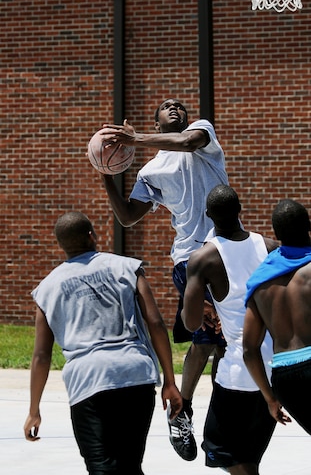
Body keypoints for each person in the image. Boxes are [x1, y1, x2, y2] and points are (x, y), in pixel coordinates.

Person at [99, 98, 228, 461]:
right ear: (156, 118)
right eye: (166, 106)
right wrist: (106, 175)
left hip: (228, 253)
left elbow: (187, 142)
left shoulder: (201, 134)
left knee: (229, 345)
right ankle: (181, 411)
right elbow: (127, 216)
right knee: (205, 341)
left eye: (179, 106)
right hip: (190, 259)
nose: (175, 108)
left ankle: (220, 412)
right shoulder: (150, 171)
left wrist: (134, 139)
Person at [23, 211, 182, 475]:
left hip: (87, 381)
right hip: (135, 374)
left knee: (101, 467)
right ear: (92, 236)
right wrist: (169, 381)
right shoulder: (127, 267)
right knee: (130, 465)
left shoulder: (46, 289)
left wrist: (34, 410)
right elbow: (155, 323)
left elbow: (41, 355)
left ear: (60, 244)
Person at [182, 185, 290, 474]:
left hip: (240, 370)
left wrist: (201, 305)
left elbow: (191, 323)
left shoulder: (203, 259)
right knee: (249, 456)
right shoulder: (269, 246)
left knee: (223, 452)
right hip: (277, 368)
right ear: (240, 210)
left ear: (208, 216)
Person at [243, 198, 311, 435]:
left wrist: (270, 398)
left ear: (276, 233)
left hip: (285, 379)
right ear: (308, 226)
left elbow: (249, 349)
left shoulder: (259, 281)